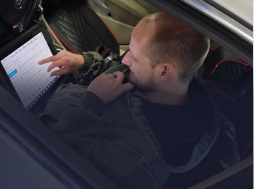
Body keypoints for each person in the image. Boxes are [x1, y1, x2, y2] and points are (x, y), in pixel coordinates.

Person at [38, 12, 220, 189]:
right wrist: (83, 62)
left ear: (164, 72)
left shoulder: (139, 164)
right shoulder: (157, 83)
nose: (125, 59)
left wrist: (92, 103)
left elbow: (54, 165)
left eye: (134, 57)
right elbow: (121, 70)